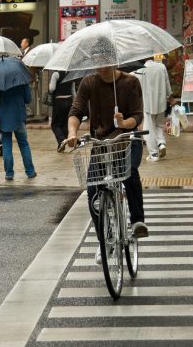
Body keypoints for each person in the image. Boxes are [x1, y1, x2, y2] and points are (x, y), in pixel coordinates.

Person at [65, 66, 148, 264]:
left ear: (115, 61)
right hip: (102, 144)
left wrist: (124, 123)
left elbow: (137, 116)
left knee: (129, 173)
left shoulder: (131, 82)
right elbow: (76, 110)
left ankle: (137, 220)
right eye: (97, 62)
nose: (101, 67)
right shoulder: (89, 82)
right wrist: (72, 133)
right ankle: (105, 240)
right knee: (93, 190)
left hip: (128, 139)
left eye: (106, 62)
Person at [135, 53, 174, 161]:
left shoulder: (140, 70)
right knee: (158, 125)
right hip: (161, 102)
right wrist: (170, 97)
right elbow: (167, 84)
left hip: (147, 104)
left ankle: (154, 154)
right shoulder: (161, 67)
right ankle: (161, 144)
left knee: (148, 129)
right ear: (152, 57)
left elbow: (136, 88)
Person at [0, 83, 36, 180]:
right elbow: (28, 99)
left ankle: (9, 173)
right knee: (24, 144)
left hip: (4, 116)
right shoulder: (21, 79)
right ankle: (30, 172)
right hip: (19, 116)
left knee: (6, 145)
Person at [48, 70, 75, 150]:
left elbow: (52, 89)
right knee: (64, 123)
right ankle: (61, 144)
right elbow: (73, 91)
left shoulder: (56, 74)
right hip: (69, 101)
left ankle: (62, 141)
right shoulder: (71, 75)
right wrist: (75, 102)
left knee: (55, 124)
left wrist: (50, 85)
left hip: (59, 102)